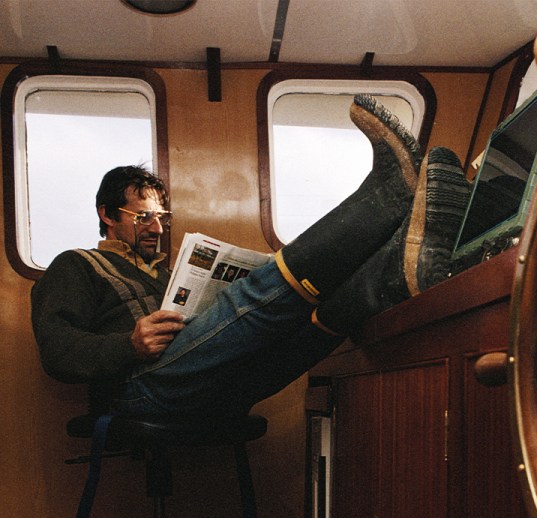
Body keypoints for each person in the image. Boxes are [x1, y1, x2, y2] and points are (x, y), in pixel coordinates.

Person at [31, 95, 470, 422]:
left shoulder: (165, 275)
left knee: (302, 328)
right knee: (248, 302)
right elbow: (57, 351)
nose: (158, 228)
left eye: (162, 217)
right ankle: (389, 195)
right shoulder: (75, 265)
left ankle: (394, 274)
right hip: (136, 391)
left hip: (213, 388)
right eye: (143, 216)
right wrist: (128, 343)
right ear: (107, 215)